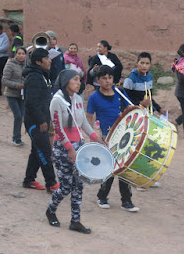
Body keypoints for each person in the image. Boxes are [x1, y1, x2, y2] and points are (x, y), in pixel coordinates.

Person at [46, 69, 105, 234]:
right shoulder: (57, 100)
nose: (79, 83)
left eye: (79, 80)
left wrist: (96, 138)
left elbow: (84, 123)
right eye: (75, 80)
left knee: (78, 185)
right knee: (66, 186)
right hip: (63, 148)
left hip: (79, 146)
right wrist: (70, 148)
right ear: (66, 82)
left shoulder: (77, 98)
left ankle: (75, 221)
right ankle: (51, 210)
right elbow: (58, 128)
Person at [86, 65, 139, 212]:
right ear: (98, 80)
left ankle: (126, 200)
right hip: (105, 137)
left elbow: (131, 109)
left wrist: (142, 106)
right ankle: (102, 197)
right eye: (104, 78)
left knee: (124, 166)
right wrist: (92, 137)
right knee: (108, 168)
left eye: (110, 78)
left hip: (123, 136)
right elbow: (89, 118)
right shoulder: (93, 97)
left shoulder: (119, 93)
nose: (108, 81)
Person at [22, 48, 59, 192]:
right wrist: (41, 120)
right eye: (47, 58)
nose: (50, 60)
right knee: (44, 151)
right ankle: (51, 183)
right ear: (38, 62)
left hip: (42, 119)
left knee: (36, 151)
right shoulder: (34, 77)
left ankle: (29, 179)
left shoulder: (42, 75)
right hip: (34, 122)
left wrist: (47, 118)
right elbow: (32, 102)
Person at [2, 47, 27, 146]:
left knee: (22, 116)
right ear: (15, 54)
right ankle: (16, 138)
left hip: (22, 95)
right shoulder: (10, 64)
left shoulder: (27, 65)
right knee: (18, 115)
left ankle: (19, 137)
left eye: (23, 54)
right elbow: (5, 80)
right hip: (11, 94)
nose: (21, 56)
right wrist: (17, 85)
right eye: (19, 53)